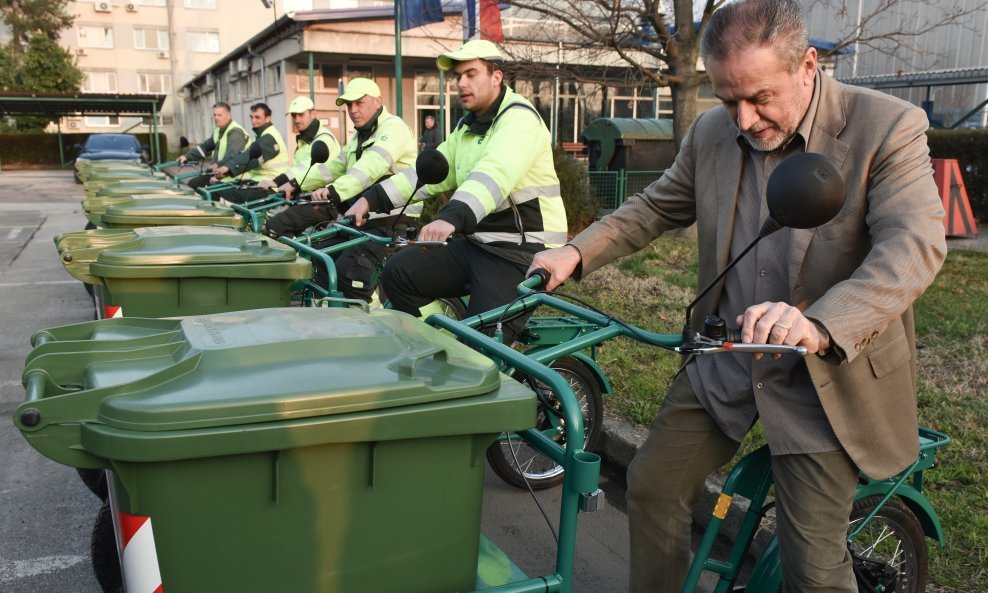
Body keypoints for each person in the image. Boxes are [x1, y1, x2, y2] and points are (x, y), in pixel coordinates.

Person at [530, 1, 947, 591]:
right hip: (728, 357)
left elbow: (914, 246)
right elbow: (656, 205)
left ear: (807, 65)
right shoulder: (711, 132)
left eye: (760, 98)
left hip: (821, 376)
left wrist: (820, 324)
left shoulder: (888, 127)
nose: (744, 119)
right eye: (729, 100)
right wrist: (577, 251)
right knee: (652, 487)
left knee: (811, 561)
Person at [347, 40, 567, 342]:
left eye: (471, 74)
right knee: (397, 273)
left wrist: (450, 217)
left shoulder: (519, 120)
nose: (461, 83)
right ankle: (435, 344)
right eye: (458, 77)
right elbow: (429, 173)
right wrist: (371, 199)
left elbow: (494, 174)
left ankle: (478, 369)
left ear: (496, 77)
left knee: (480, 346)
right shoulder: (468, 127)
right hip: (478, 243)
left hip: (522, 252)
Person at [262, 78, 417, 303]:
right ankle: (335, 316)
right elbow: (333, 167)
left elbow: (371, 167)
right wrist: (295, 183)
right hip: (361, 219)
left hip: (393, 220)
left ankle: (369, 324)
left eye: (359, 103)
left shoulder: (394, 128)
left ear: (378, 101)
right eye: (348, 105)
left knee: (350, 272)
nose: (353, 110)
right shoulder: (359, 136)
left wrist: (335, 191)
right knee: (320, 255)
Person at [209, 103, 290, 202]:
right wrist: (226, 172)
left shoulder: (270, 137)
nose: (253, 121)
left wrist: (227, 167)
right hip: (258, 181)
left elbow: (250, 157)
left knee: (217, 191)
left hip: (272, 186)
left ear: (268, 118)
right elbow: (245, 154)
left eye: (257, 117)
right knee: (217, 187)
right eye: (251, 117)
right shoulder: (260, 135)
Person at [176, 102, 250, 189]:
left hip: (234, 175)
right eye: (214, 115)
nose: (216, 118)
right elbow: (204, 148)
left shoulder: (236, 132)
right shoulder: (218, 131)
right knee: (193, 184)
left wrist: (216, 167)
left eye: (219, 115)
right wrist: (186, 156)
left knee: (198, 186)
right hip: (219, 172)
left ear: (228, 115)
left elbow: (231, 157)